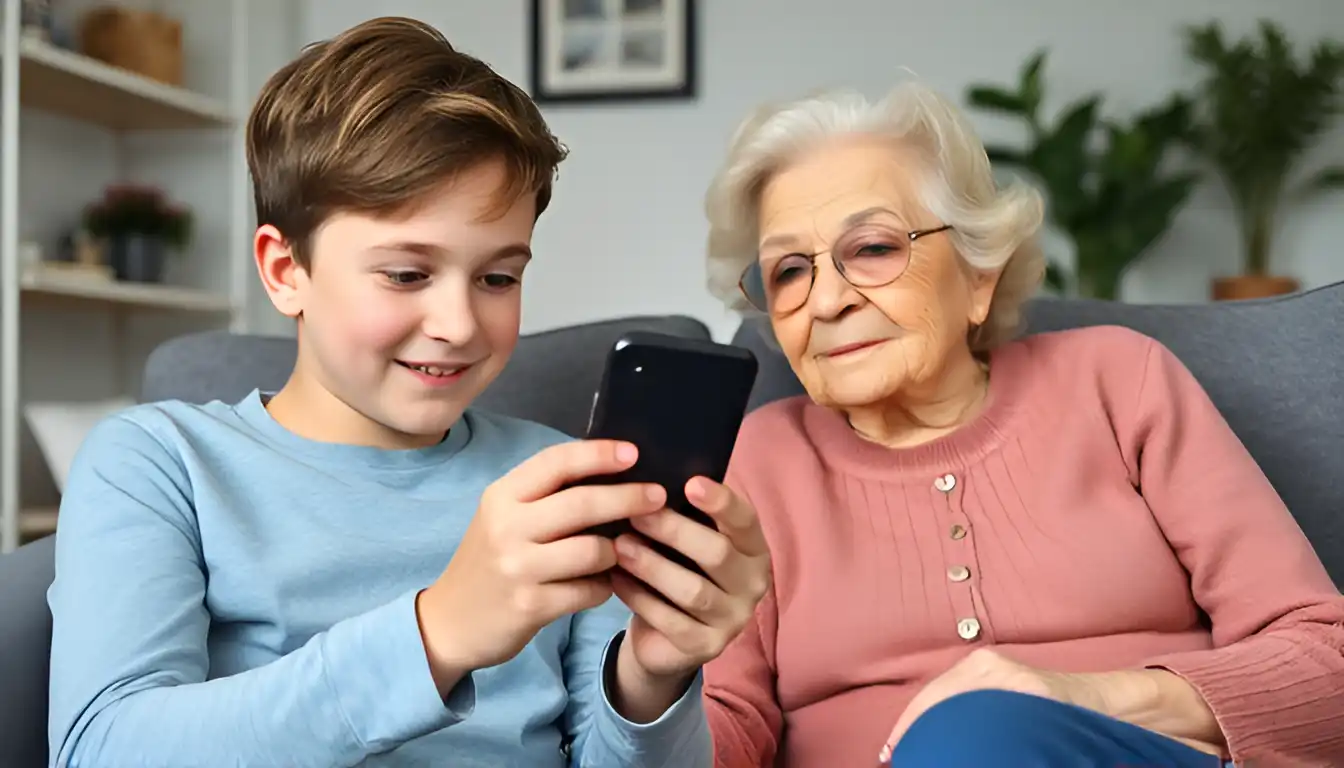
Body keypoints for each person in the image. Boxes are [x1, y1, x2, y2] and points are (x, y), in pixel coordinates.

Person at [46, 17, 771, 768]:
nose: (458, 324)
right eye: (406, 273)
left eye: (498, 277)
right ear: (285, 270)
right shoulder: (160, 462)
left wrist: (653, 675)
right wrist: (438, 633)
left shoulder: (561, 479)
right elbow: (105, 749)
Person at [696, 82, 1344, 768]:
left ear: (978, 274)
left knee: (975, 735)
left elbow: (1324, 663)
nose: (826, 300)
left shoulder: (1119, 384)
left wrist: (1082, 697)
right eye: (789, 270)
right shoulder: (756, 461)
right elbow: (718, 727)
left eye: (875, 248)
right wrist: (646, 685)